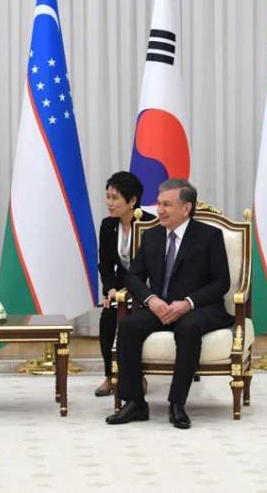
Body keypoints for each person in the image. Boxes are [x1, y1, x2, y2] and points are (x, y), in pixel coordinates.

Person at [105, 179, 232, 429]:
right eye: (159, 203)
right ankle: (135, 403)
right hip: (159, 307)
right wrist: (151, 300)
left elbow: (221, 283)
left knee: (188, 329)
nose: (160, 210)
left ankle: (177, 404)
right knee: (129, 326)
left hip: (198, 308)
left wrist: (188, 303)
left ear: (186, 208)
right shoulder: (152, 235)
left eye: (167, 205)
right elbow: (134, 276)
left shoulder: (209, 236)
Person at [95, 172, 154, 397]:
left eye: (115, 198)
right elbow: (105, 265)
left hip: (148, 289)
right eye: (107, 197)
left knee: (135, 323)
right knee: (107, 318)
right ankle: (110, 375)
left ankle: (138, 377)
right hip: (120, 289)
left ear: (132, 201)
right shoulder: (107, 225)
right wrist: (110, 289)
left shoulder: (150, 223)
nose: (109, 203)